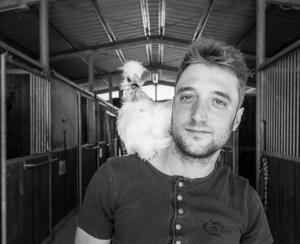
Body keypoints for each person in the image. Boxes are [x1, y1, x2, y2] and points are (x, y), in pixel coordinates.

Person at [74, 38, 273, 244]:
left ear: (237, 119)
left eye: (218, 102)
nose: (198, 116)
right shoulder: (112, 179)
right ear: (172, 105)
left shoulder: (246, 202)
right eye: (188, 97)